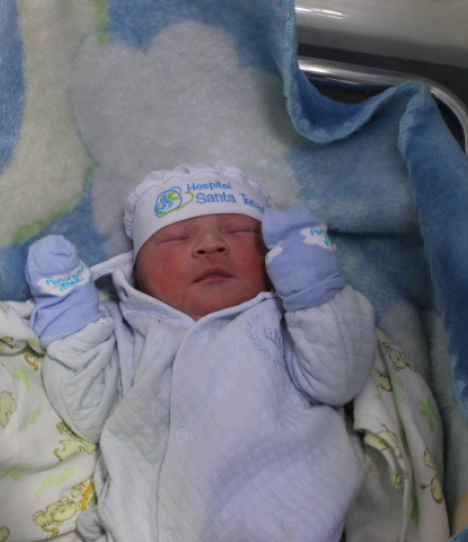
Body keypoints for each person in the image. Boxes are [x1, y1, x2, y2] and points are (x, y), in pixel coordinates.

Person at [25, 159, 377, 542]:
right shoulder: (128, 331)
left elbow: (339, 379)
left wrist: (313, 287)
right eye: (177, 237)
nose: (211, 244)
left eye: (239, 231)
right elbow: (88, 411)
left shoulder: (285, 320)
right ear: (137, 272)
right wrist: (73, 318)